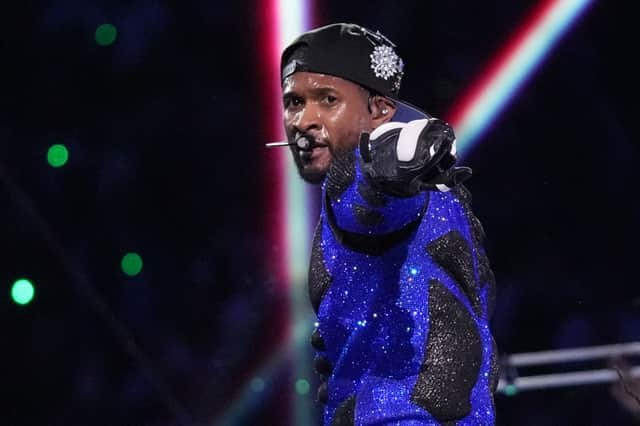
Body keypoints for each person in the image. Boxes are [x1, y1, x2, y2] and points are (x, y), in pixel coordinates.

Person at [279, 23, 498, 425]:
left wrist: (391, 161)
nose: (303, 120)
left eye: (327, 100)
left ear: (379, 111)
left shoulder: (372, 182)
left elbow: (377, 186)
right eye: (293, 102)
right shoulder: (426, 190)